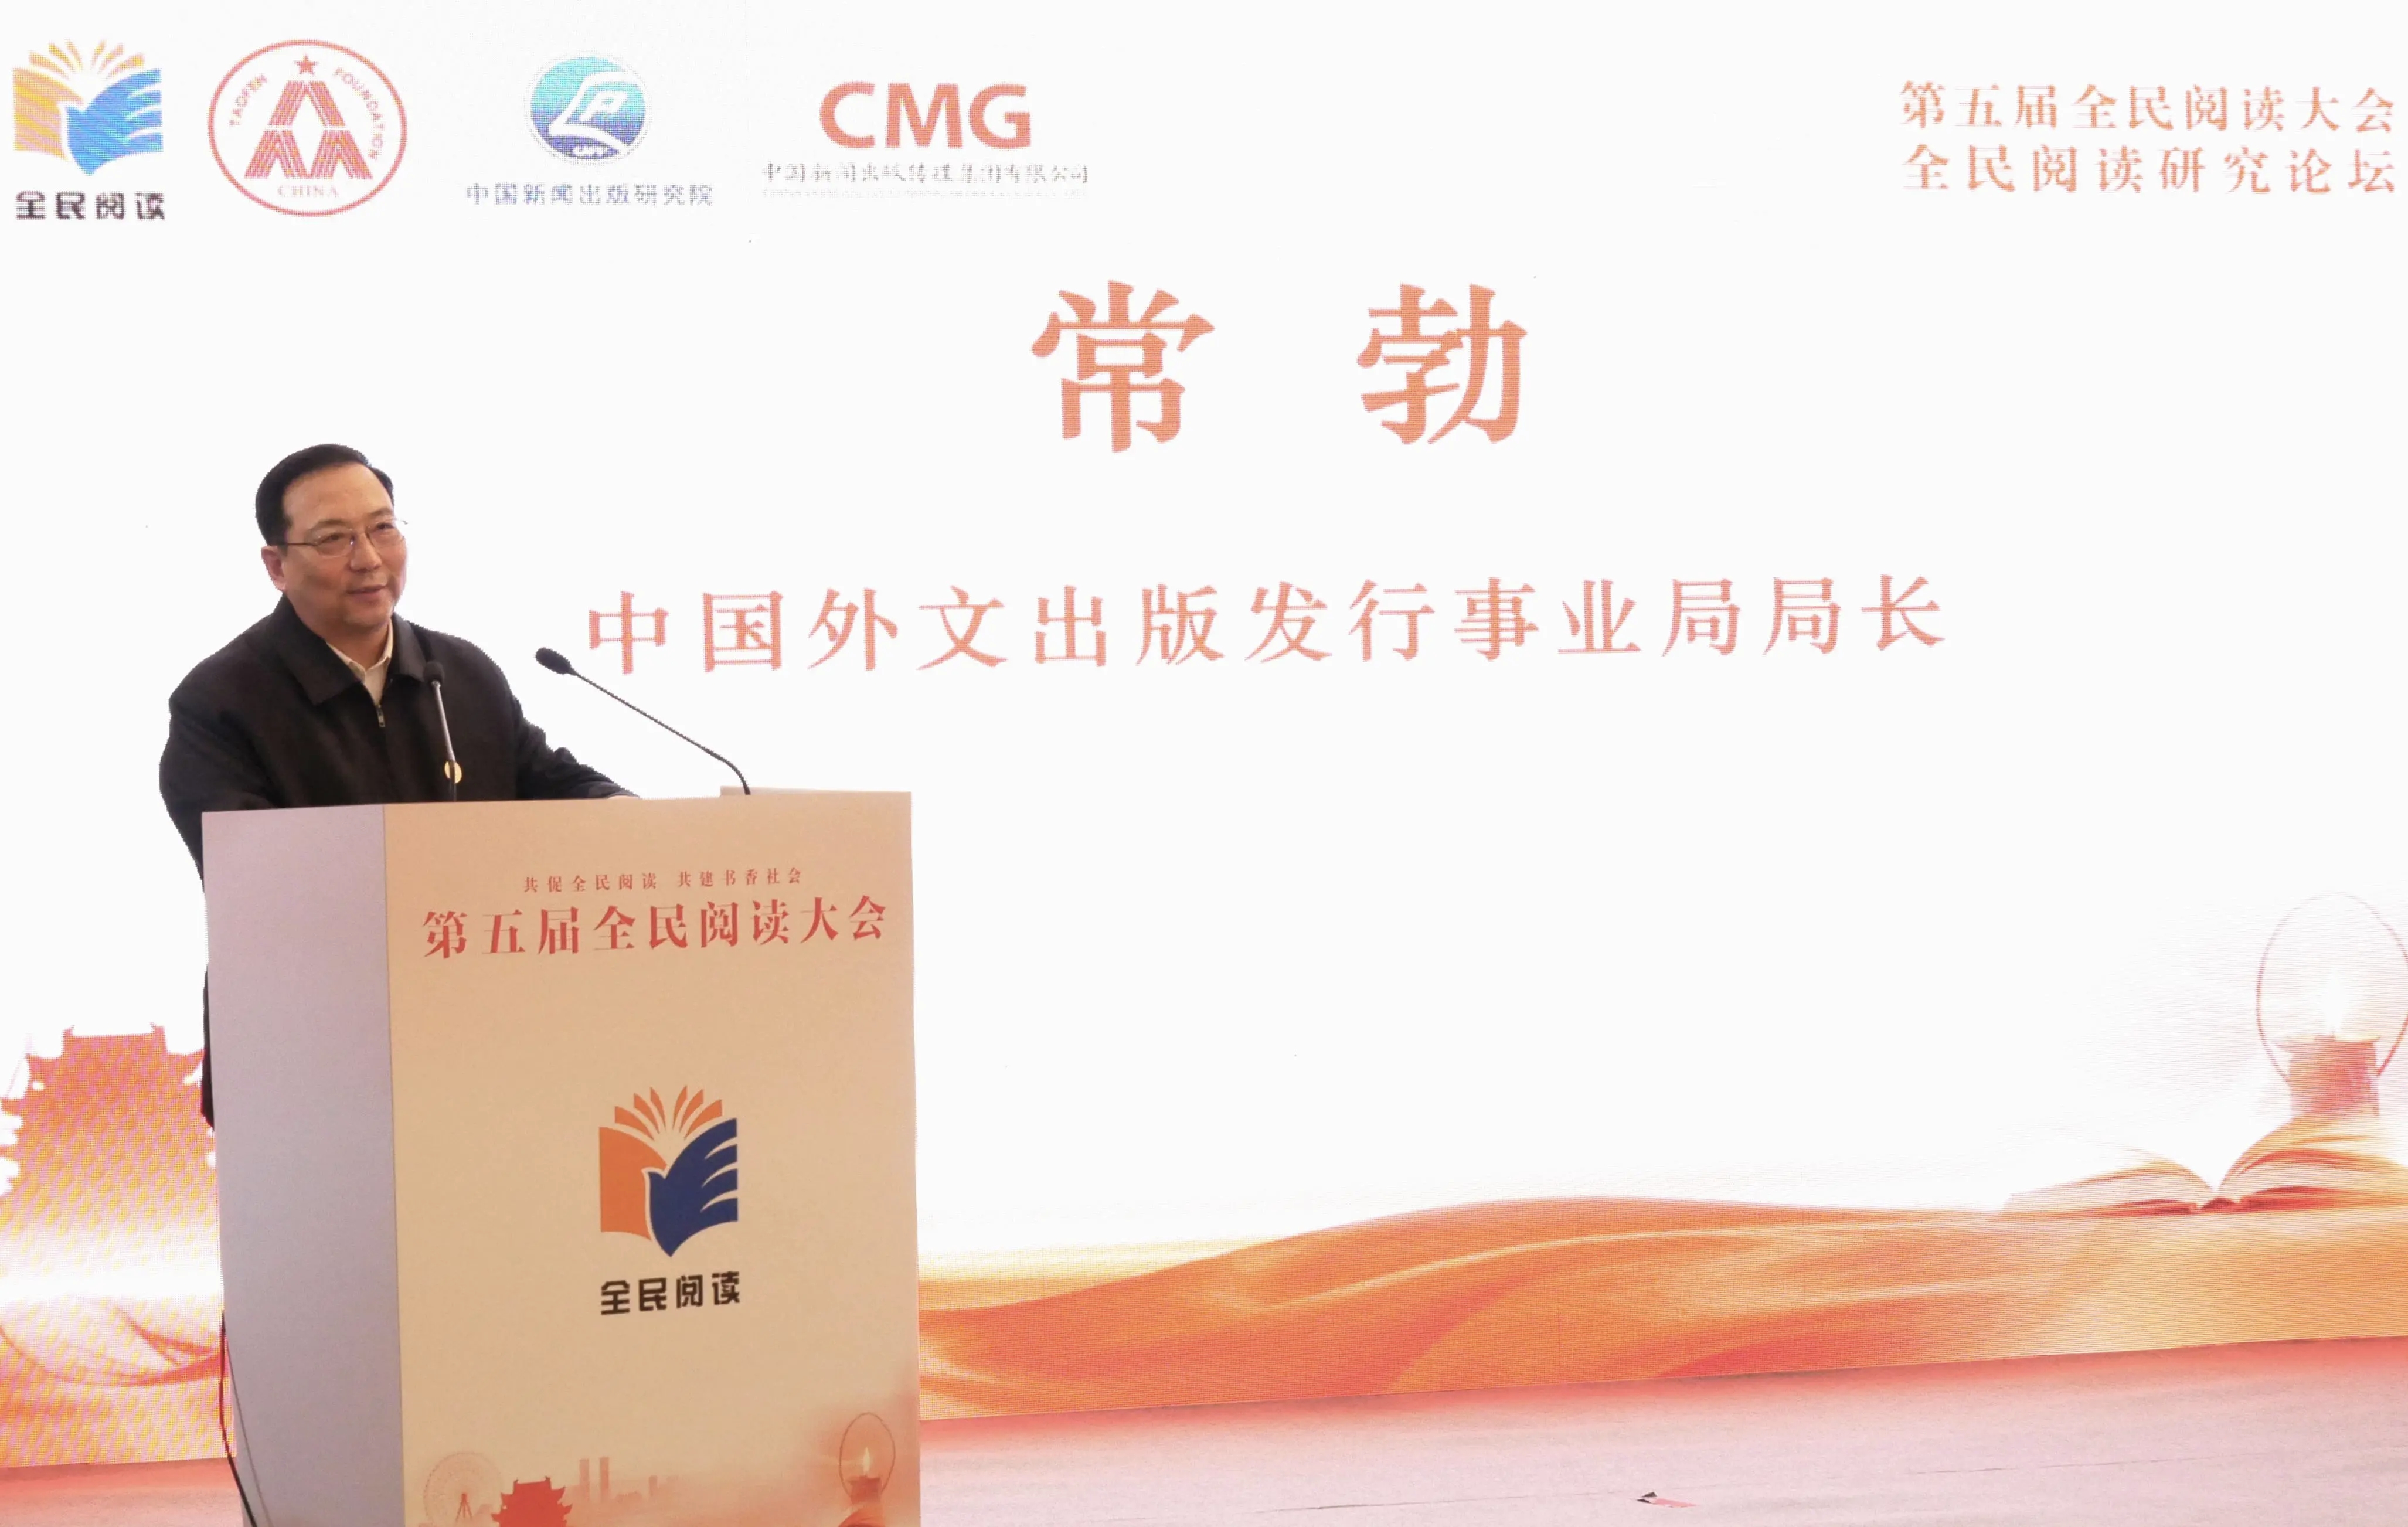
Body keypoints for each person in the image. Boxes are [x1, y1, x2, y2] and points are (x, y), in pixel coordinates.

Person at [161, 443, 630, 1120]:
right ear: (276, 565)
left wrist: (630, 819)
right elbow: (254, 880)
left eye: (383, 528)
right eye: (334, 539)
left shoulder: (460, 672)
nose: (369, 558)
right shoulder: (220, 702)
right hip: (304, 1051)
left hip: (477, 1036)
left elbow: (548, 779)